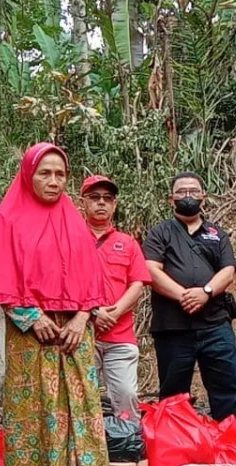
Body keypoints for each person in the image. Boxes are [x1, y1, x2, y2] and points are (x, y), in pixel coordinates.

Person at [0, 143, 114, 466]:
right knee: (31, 416)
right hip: (30, 336)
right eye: (45, 173)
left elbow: (91, 282)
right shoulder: (8, 218)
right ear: (28, 174)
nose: (53, 181)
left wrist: (80, 318)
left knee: (73, 415)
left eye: (60, 174)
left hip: (74, 336)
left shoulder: (74, 221)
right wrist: (31, 317)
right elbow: (2, 280)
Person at [143, 172, 236, 422]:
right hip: (173, 327)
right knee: (173, 394)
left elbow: (228, 270)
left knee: (227, 388)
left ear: (203, 197)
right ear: (171, 199)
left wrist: (205, 293)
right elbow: (150, 269)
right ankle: (175, 449)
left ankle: (231, 448)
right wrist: (184, 296)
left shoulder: (217, 234)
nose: (188, 196)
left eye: (193, 192)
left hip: (215, 325)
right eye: (182, 192)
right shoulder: (160, 232)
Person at [81, 175, 152, 418]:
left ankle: (128, 444)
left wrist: (114, 312)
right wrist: (93, 312)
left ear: (115, 204)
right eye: (95, 197)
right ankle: (85, 450)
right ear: (83, 202)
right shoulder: (71, 240)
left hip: (120, 336)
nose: (101, 203)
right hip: (80, 333)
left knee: (126, 394)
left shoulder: (128, 243)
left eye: (107, 198)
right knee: (81, 396)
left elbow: (137, 284)